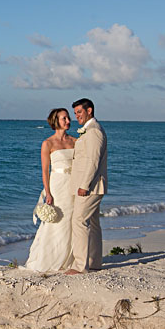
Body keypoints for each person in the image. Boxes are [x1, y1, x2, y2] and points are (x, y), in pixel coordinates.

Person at [23, 108, 77, 272]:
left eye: (68, 118)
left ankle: (71, 259)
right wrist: (48, 192)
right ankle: (51, 259)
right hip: (58, 185)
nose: (68, 121)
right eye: (64, 119)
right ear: (55, 121)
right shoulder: (48, 144)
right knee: (57, 221)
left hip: (73, 185)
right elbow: (45, 171)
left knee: (72, 221)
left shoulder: (76, 141)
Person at [65, 98, 107, 274]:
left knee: (79, 221)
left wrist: (84, 185)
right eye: (75, 113)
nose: (77, 116)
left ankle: (81, 266)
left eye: (79, 112)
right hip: (91, 186)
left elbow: (93, 161)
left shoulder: (94, 132)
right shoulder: (89, 131)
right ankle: (94, 262)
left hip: (90, 187)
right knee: (93, 223)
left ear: (89, 111)